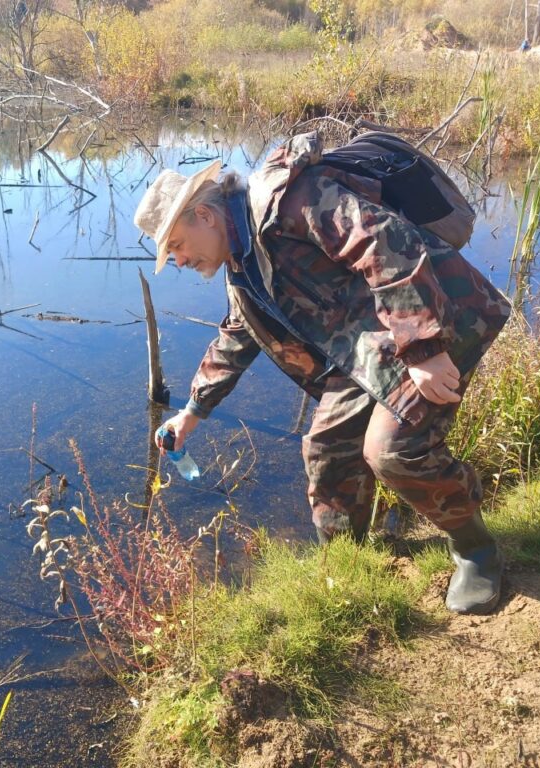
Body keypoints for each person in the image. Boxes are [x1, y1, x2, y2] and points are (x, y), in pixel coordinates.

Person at [133, 133, 512, 615]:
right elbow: (239, 332)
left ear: (205, 215)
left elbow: (384, 241)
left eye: (178, 245)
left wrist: (423, 348)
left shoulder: (292, 200)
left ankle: (476, 550)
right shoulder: (242, 260)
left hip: (441, 316)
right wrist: (193, 410)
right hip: (366, 349)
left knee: (393, 451)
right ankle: (349, 563)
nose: (181, 261)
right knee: (327, 450)